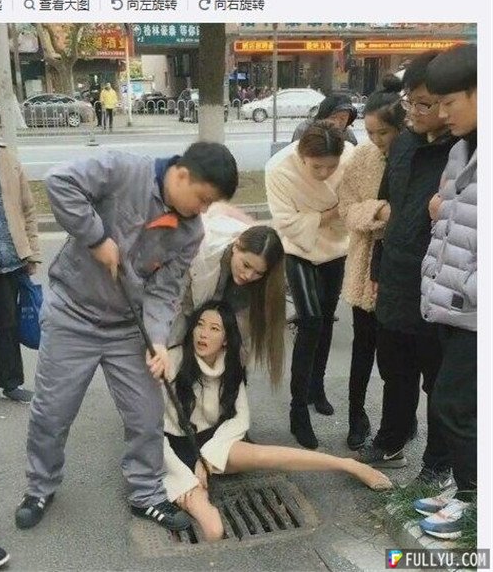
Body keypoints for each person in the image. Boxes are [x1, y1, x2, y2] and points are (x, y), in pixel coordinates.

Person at [15, 142, 239, 533]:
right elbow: (59, 182)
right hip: (73, 315)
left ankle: (146, 494)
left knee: (146, 415)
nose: (203, 210)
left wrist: (157, 340)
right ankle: (40, 487)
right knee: (52, 412)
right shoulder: (122, 170)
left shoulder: (190, 232)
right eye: (203, 199)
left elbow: (165, 291)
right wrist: (96, 238)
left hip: (127, 328)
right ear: (182, 175)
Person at [163, 301, 392, 542]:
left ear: (226, 340)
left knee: (265, 455)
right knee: (212, 526)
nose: (203, 334)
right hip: (171, 450)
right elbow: (151, 434)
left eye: (214, 328)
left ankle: (349, 465)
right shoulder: (172, 361)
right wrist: (185, 475)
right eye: (200, 325)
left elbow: (240, 418)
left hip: (211, 443)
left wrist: (207, 459)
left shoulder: (230, 364)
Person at [359, 51, 457, 484]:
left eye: (425, 104)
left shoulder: (465, 152)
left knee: (439, 380)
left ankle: (438, 462)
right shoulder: (402, 145)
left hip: (441, 281)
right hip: (397, 276)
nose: (414, 112)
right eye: (409, 102)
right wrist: (378, 270)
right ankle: (391, 440)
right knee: (394, 370)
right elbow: (389, 211)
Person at [413, 44, 477, 540]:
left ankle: (475, 504)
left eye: (451, 102)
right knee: (454, 404)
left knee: (455, 407)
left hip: (473, 309)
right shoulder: (461, 149)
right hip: (451, 305)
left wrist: (471, 289)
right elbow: (451, 222)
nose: (442, 114)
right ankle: (466, 486)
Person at [266, 122, 354, 448]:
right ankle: (298, 408)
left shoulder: (351, 158)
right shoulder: (278, 168)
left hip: (336, 248)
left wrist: (323, 216)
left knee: (327, 319)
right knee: (310, 321)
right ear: (301, 154)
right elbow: (286, 222)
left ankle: (317, 385)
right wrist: (329, 214)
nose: (324, 173)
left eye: (331, 166)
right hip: (298, 249)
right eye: (317, 166)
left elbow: (354, 203)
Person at [338, 77, 405, 450]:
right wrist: (378, 211)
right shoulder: (362, 157)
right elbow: (346, 209)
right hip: (365, 265)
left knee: (398, 355)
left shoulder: (413, 154)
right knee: (362, 348)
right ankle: (356, 417)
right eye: (370, 132)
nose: (376, 139)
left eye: (383, 132)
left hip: (400, 268)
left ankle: (401, 420)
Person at [0, 96, 41, 412]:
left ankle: (11, 383)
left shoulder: (6, 158)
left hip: (10, 258)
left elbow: (28, 208)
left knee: (9, 324)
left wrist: (32, 253)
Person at [170, 209, 286, 385]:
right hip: (186, 300)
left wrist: (235, 375)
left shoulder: (262, 283)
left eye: (258, 272)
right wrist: (170, 352)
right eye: (246, 265)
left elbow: (243, 338)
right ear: (236, 246)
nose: (248, 275)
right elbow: (175, 308)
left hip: (227, 306)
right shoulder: (199, 252)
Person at [292, 94, 358, 146]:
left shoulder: (348, 135)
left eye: (343, 118)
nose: (337, 123)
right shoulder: (304, 130)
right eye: (333, 117)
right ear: (323, 116)